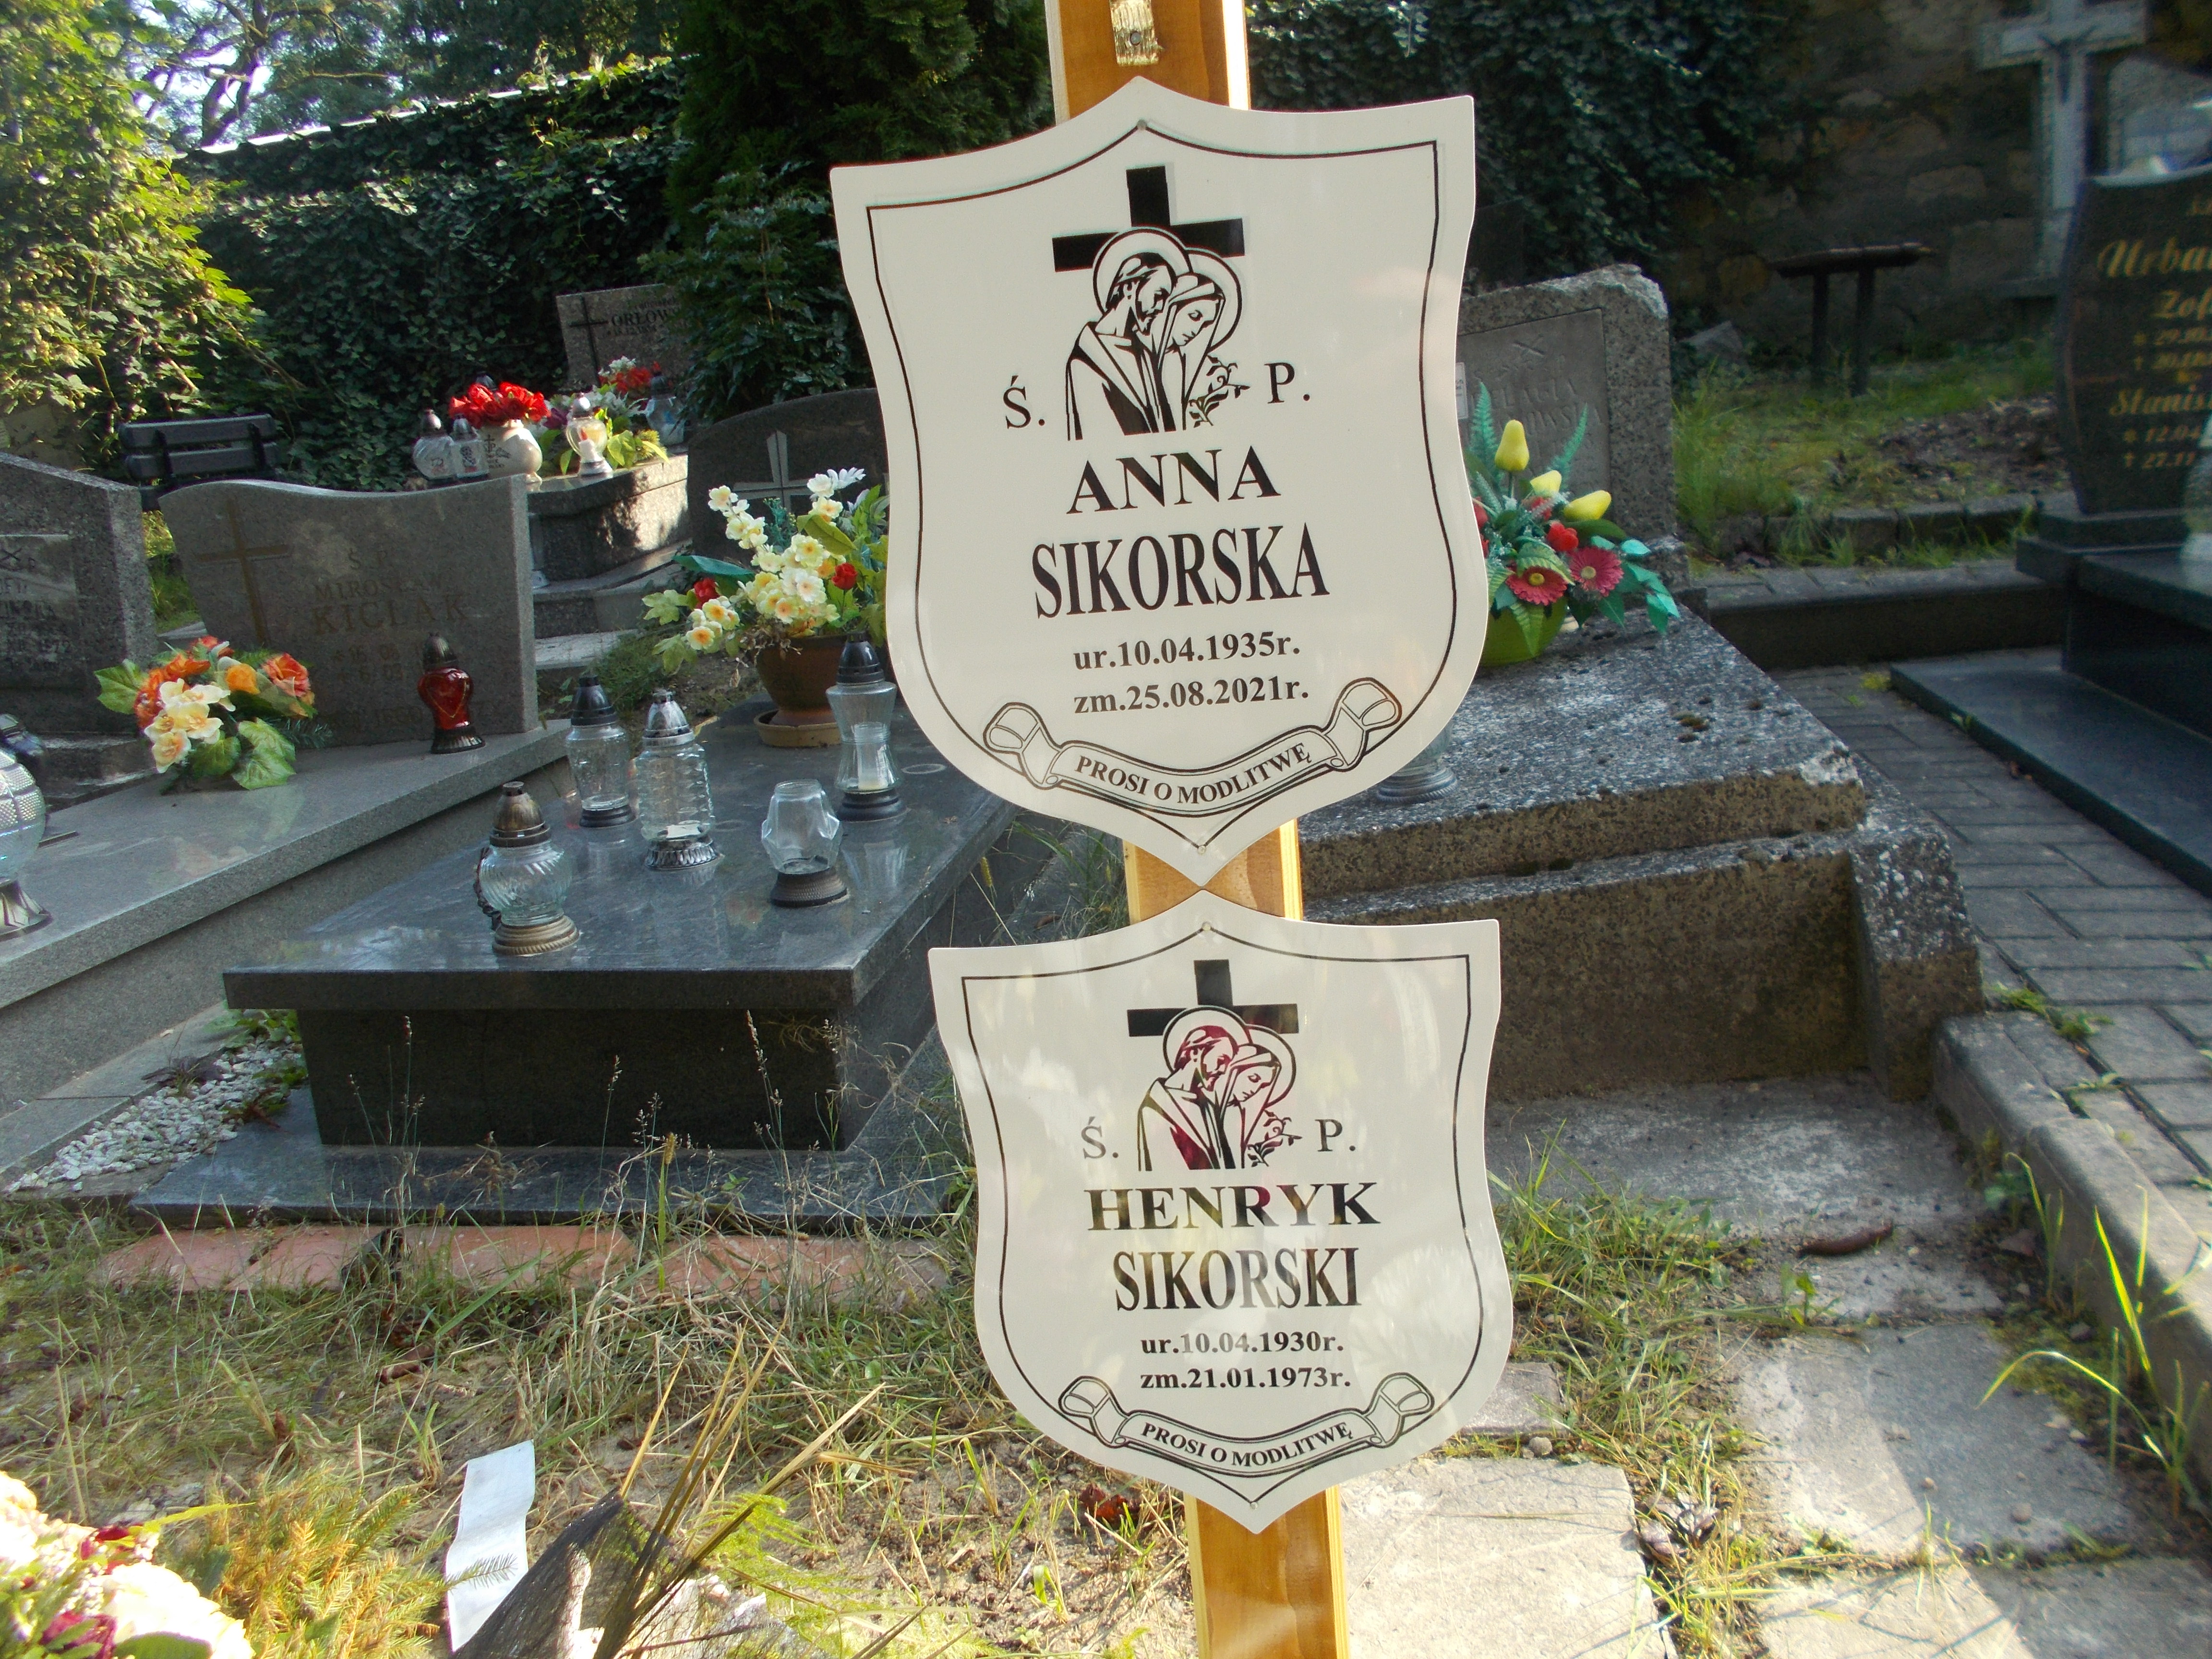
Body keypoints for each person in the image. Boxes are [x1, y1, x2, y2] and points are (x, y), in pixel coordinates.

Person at [1065, 230, 1186, 439]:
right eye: (1159, 295)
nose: (1161, 308)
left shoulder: (1145, 355)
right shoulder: (1087, 358)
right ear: (1130, 286)